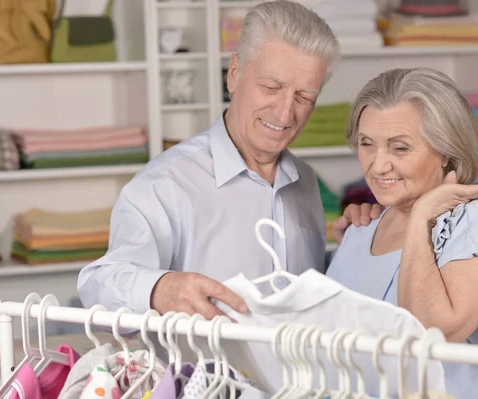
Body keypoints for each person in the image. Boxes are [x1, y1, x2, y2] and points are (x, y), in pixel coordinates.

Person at [77, 0, 379, 323]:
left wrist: (354, 250)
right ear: (234, 74)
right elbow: (98, 282)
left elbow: (304, 296)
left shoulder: (306, 183)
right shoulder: (164, 184)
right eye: (271, 87)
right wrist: (160, 289)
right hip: (201, 374)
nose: (284, 112)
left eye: (304, 97)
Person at [325, 67, 478, 399]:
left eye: (400, 148)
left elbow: (431, 333)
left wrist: (423, 215)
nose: (377, 165)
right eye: (367, 144)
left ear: (446, 152)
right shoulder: (364, 226)